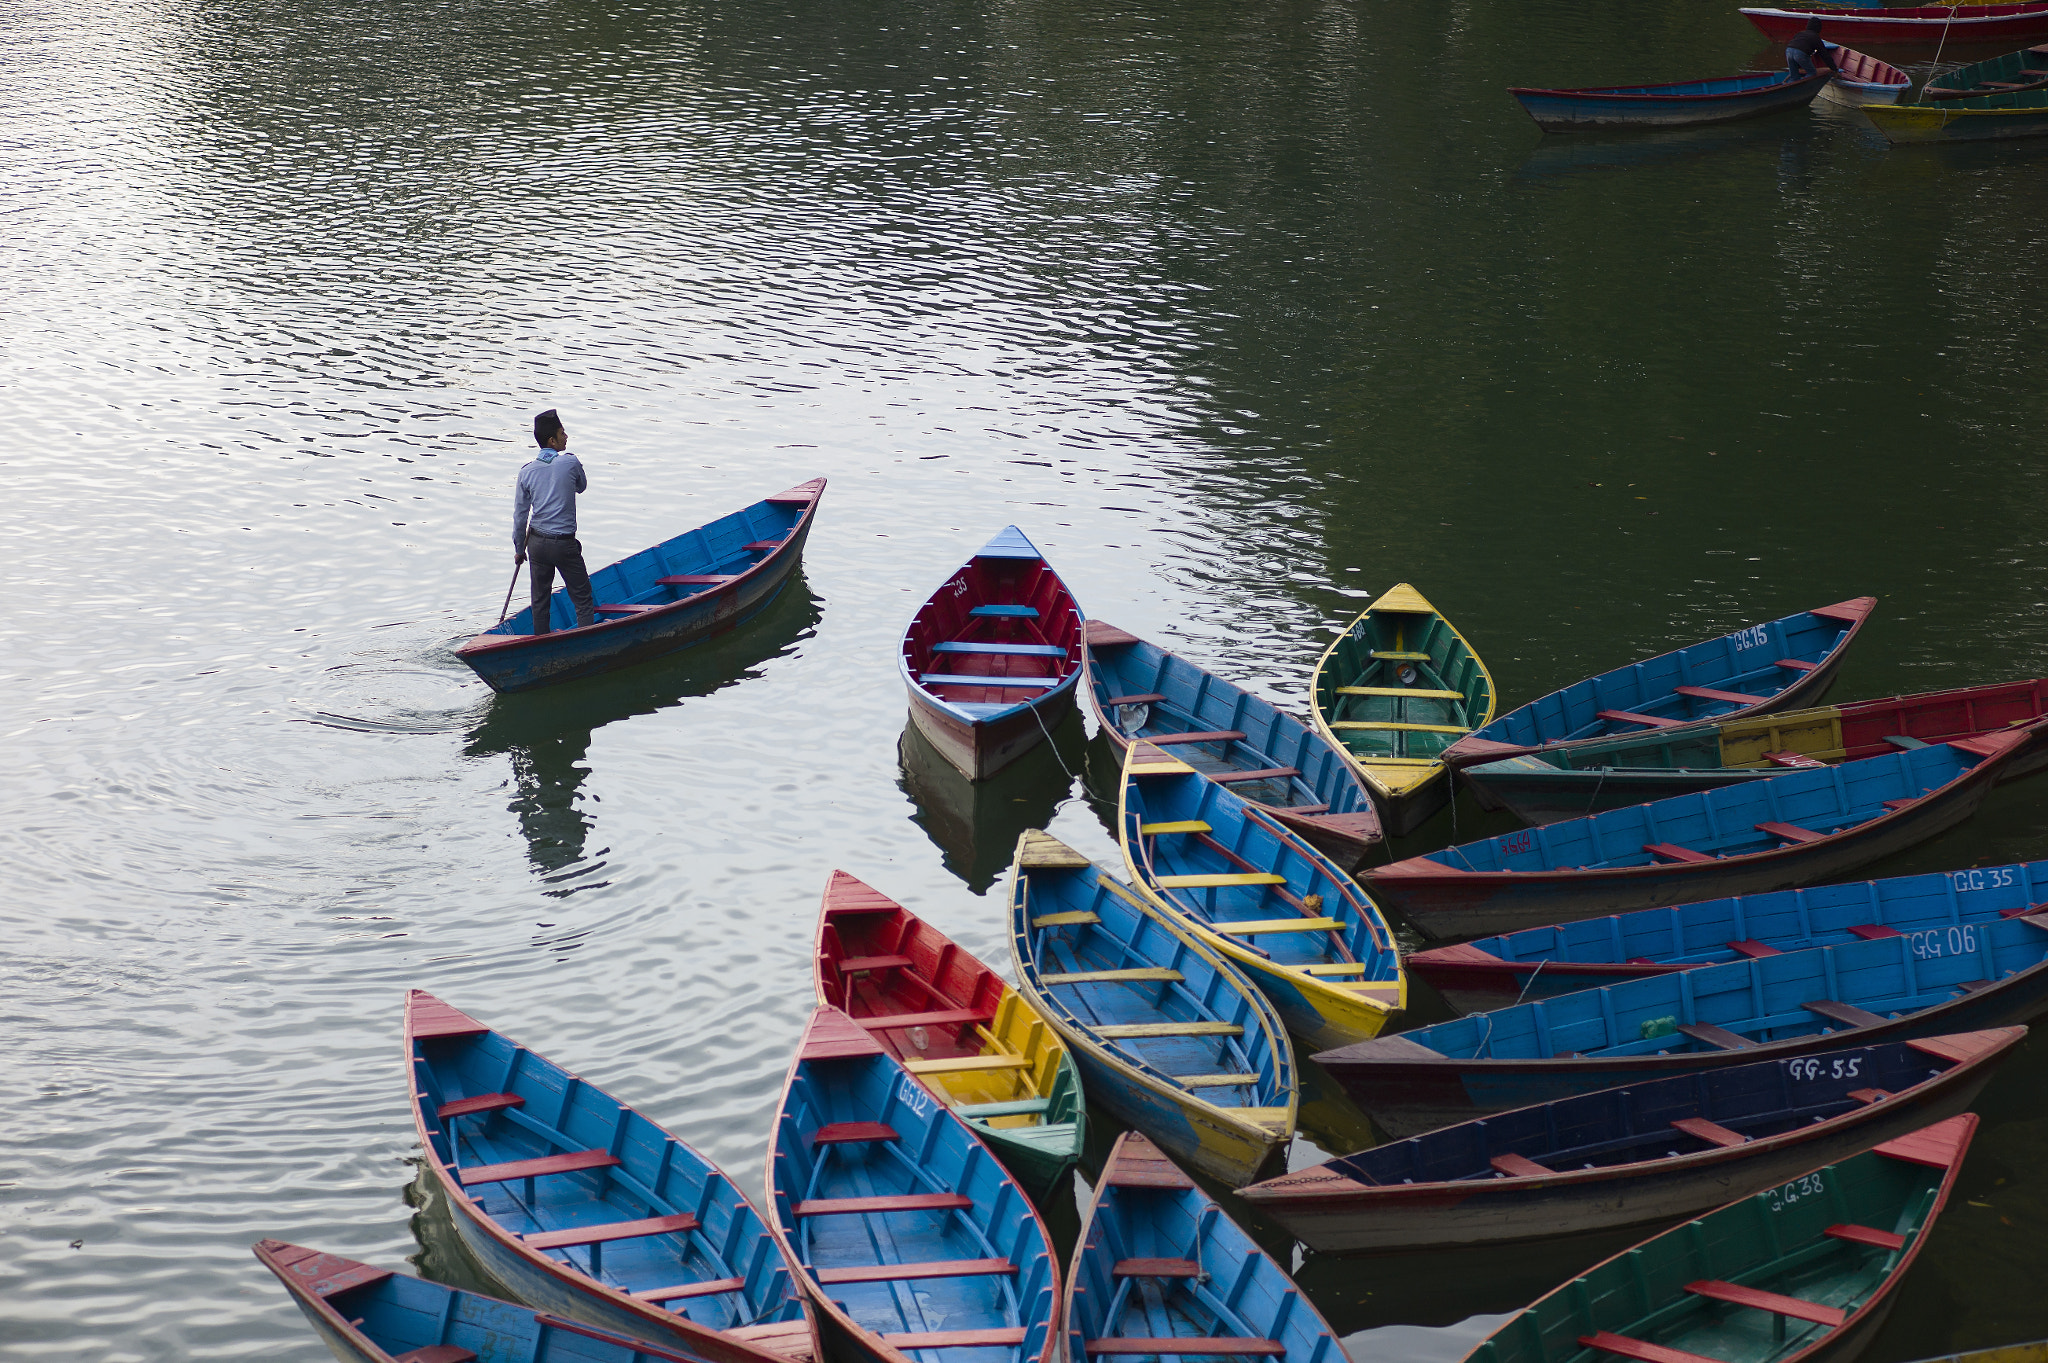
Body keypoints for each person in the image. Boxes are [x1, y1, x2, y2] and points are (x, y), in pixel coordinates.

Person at [513, 409, 596, 634]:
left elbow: (520, 517)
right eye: (562, 433)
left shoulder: (526, 472)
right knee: (583, 598)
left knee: (540, 601)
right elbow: (581, 486)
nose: (566, 436)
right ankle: (586, 643)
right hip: (563, 545)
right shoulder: (570, 463)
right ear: (552, 440)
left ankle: (541, 644)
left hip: (537, 544)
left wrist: (520, 549)